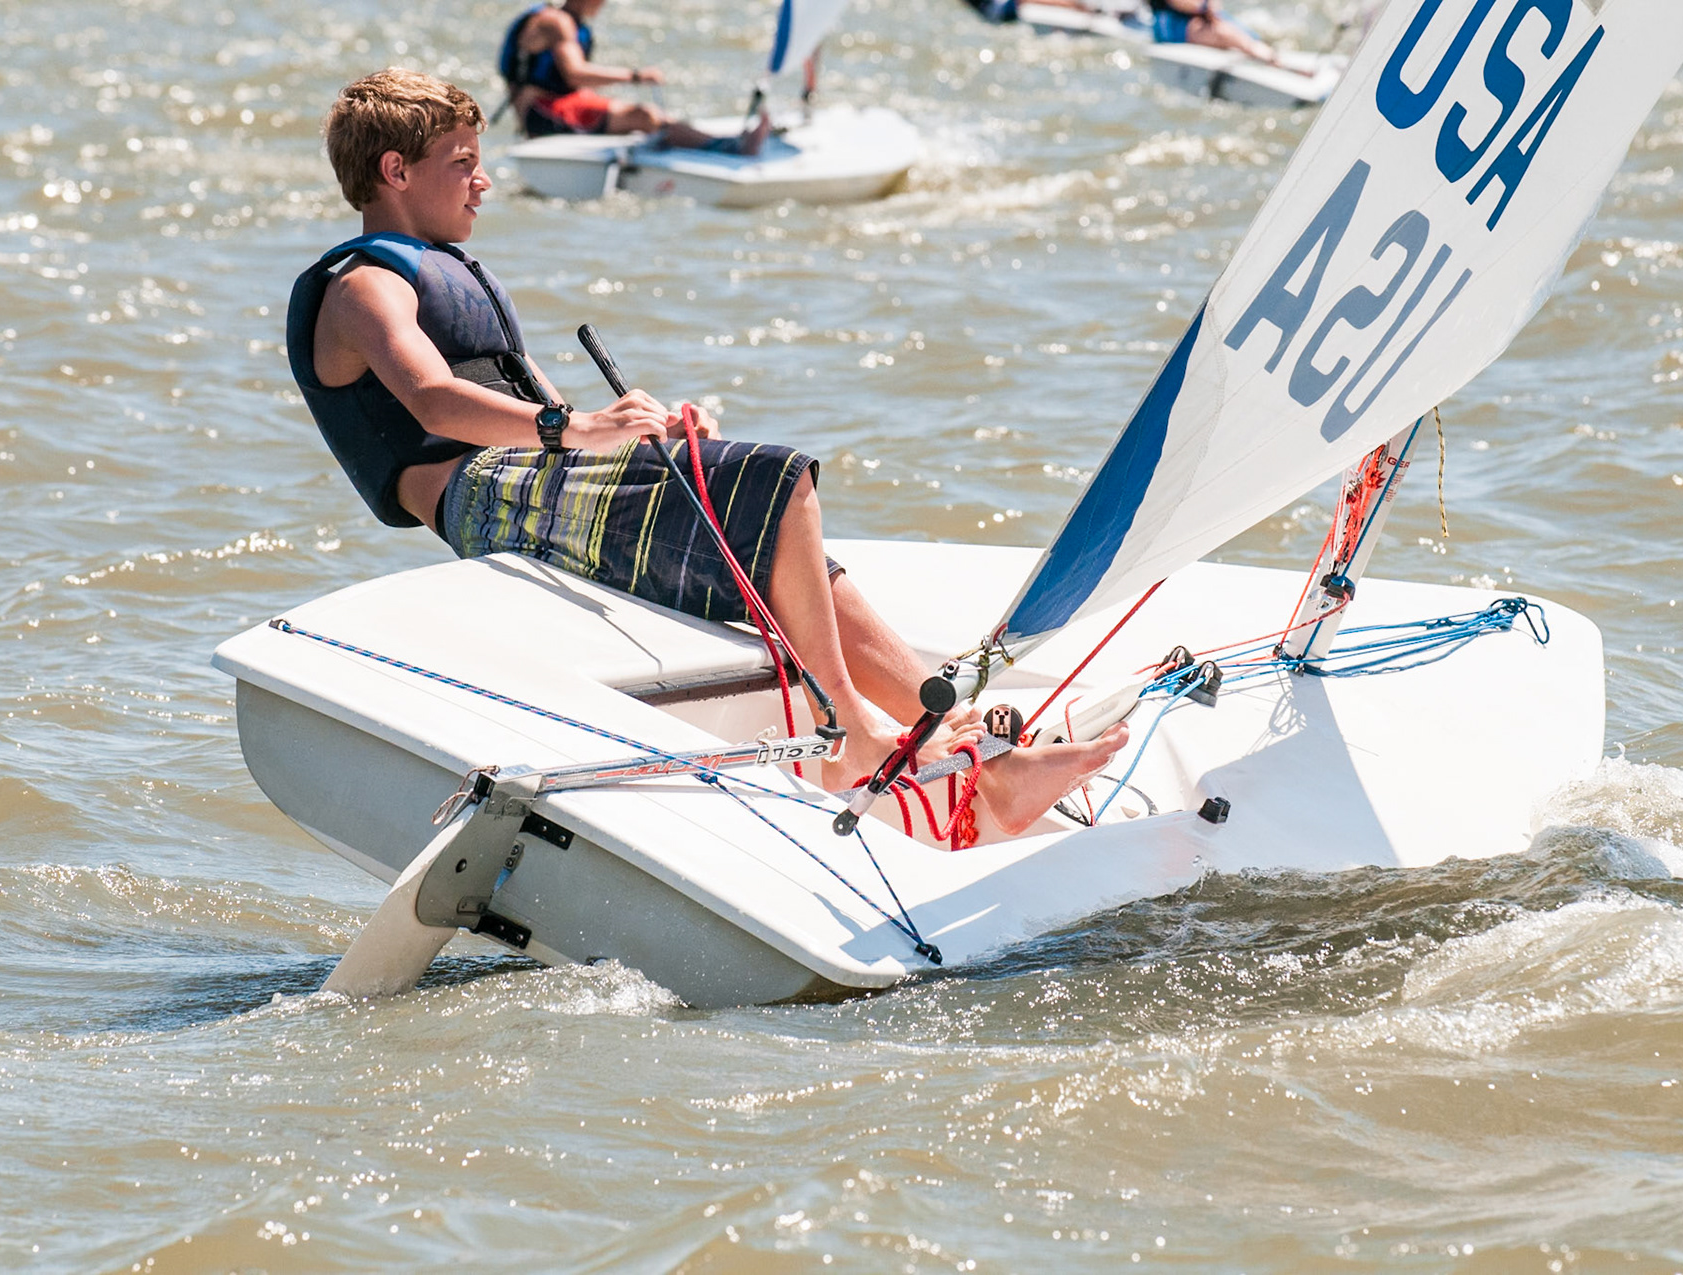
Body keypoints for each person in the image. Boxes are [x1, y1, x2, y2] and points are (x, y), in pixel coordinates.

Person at [287, 69, 1128, 839]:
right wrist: (578, 431)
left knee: (786, 548)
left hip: (538, 478)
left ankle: (974, 753)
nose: (485, 180)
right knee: (779, 482)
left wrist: (639, 429)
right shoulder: (363, 286)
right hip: (484, 499)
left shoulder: (447, 271)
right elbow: (433, 397)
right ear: (395, 171)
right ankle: (846, 729)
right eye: (464, 162)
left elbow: (548, 407)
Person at [499, 0, 770, 153]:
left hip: (558, 106)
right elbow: (574, 74)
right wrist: (636, 76)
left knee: (638, 114)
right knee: (645, 116)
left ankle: (719, 141)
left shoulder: (563, 19)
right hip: (543, 113)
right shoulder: (556, 22)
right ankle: (732, 147)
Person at [1147, 0, 1281, 65]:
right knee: (1222, 32)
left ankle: (1263, 51)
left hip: (1199, 15)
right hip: (1172, 24)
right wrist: (1205, 8)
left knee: (1244, 33)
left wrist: (1211, 9)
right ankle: (1269, 58)